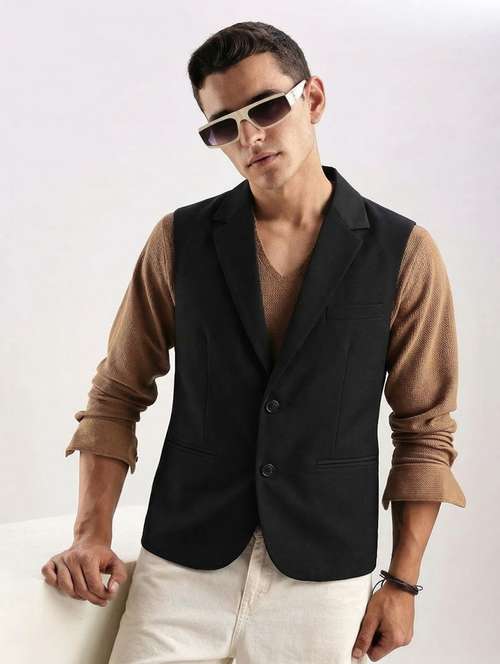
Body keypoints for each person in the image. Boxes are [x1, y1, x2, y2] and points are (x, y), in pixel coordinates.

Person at [41, 21, 466, 663]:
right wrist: (89, 532)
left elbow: (425, 427)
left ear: (312, 98)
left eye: (266, 107)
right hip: (182, 567)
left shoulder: (403, 252)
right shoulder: (179, 241)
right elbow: (118, 392)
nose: (250, 136)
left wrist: (402, 584)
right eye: (224, 126)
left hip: (323, 580)